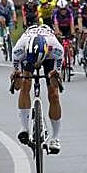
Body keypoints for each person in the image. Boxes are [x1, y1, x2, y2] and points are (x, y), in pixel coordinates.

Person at [10, 25, 65, 153]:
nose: (37, 65)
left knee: (54, 94)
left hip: (49, 58)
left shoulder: (57, 49)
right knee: (24, 85)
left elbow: (56, 84)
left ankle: (55, 138)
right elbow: (16, 87)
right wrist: (17, 77)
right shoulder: (19, 49)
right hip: (27, 56)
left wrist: (54, 75)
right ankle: (24, 128)